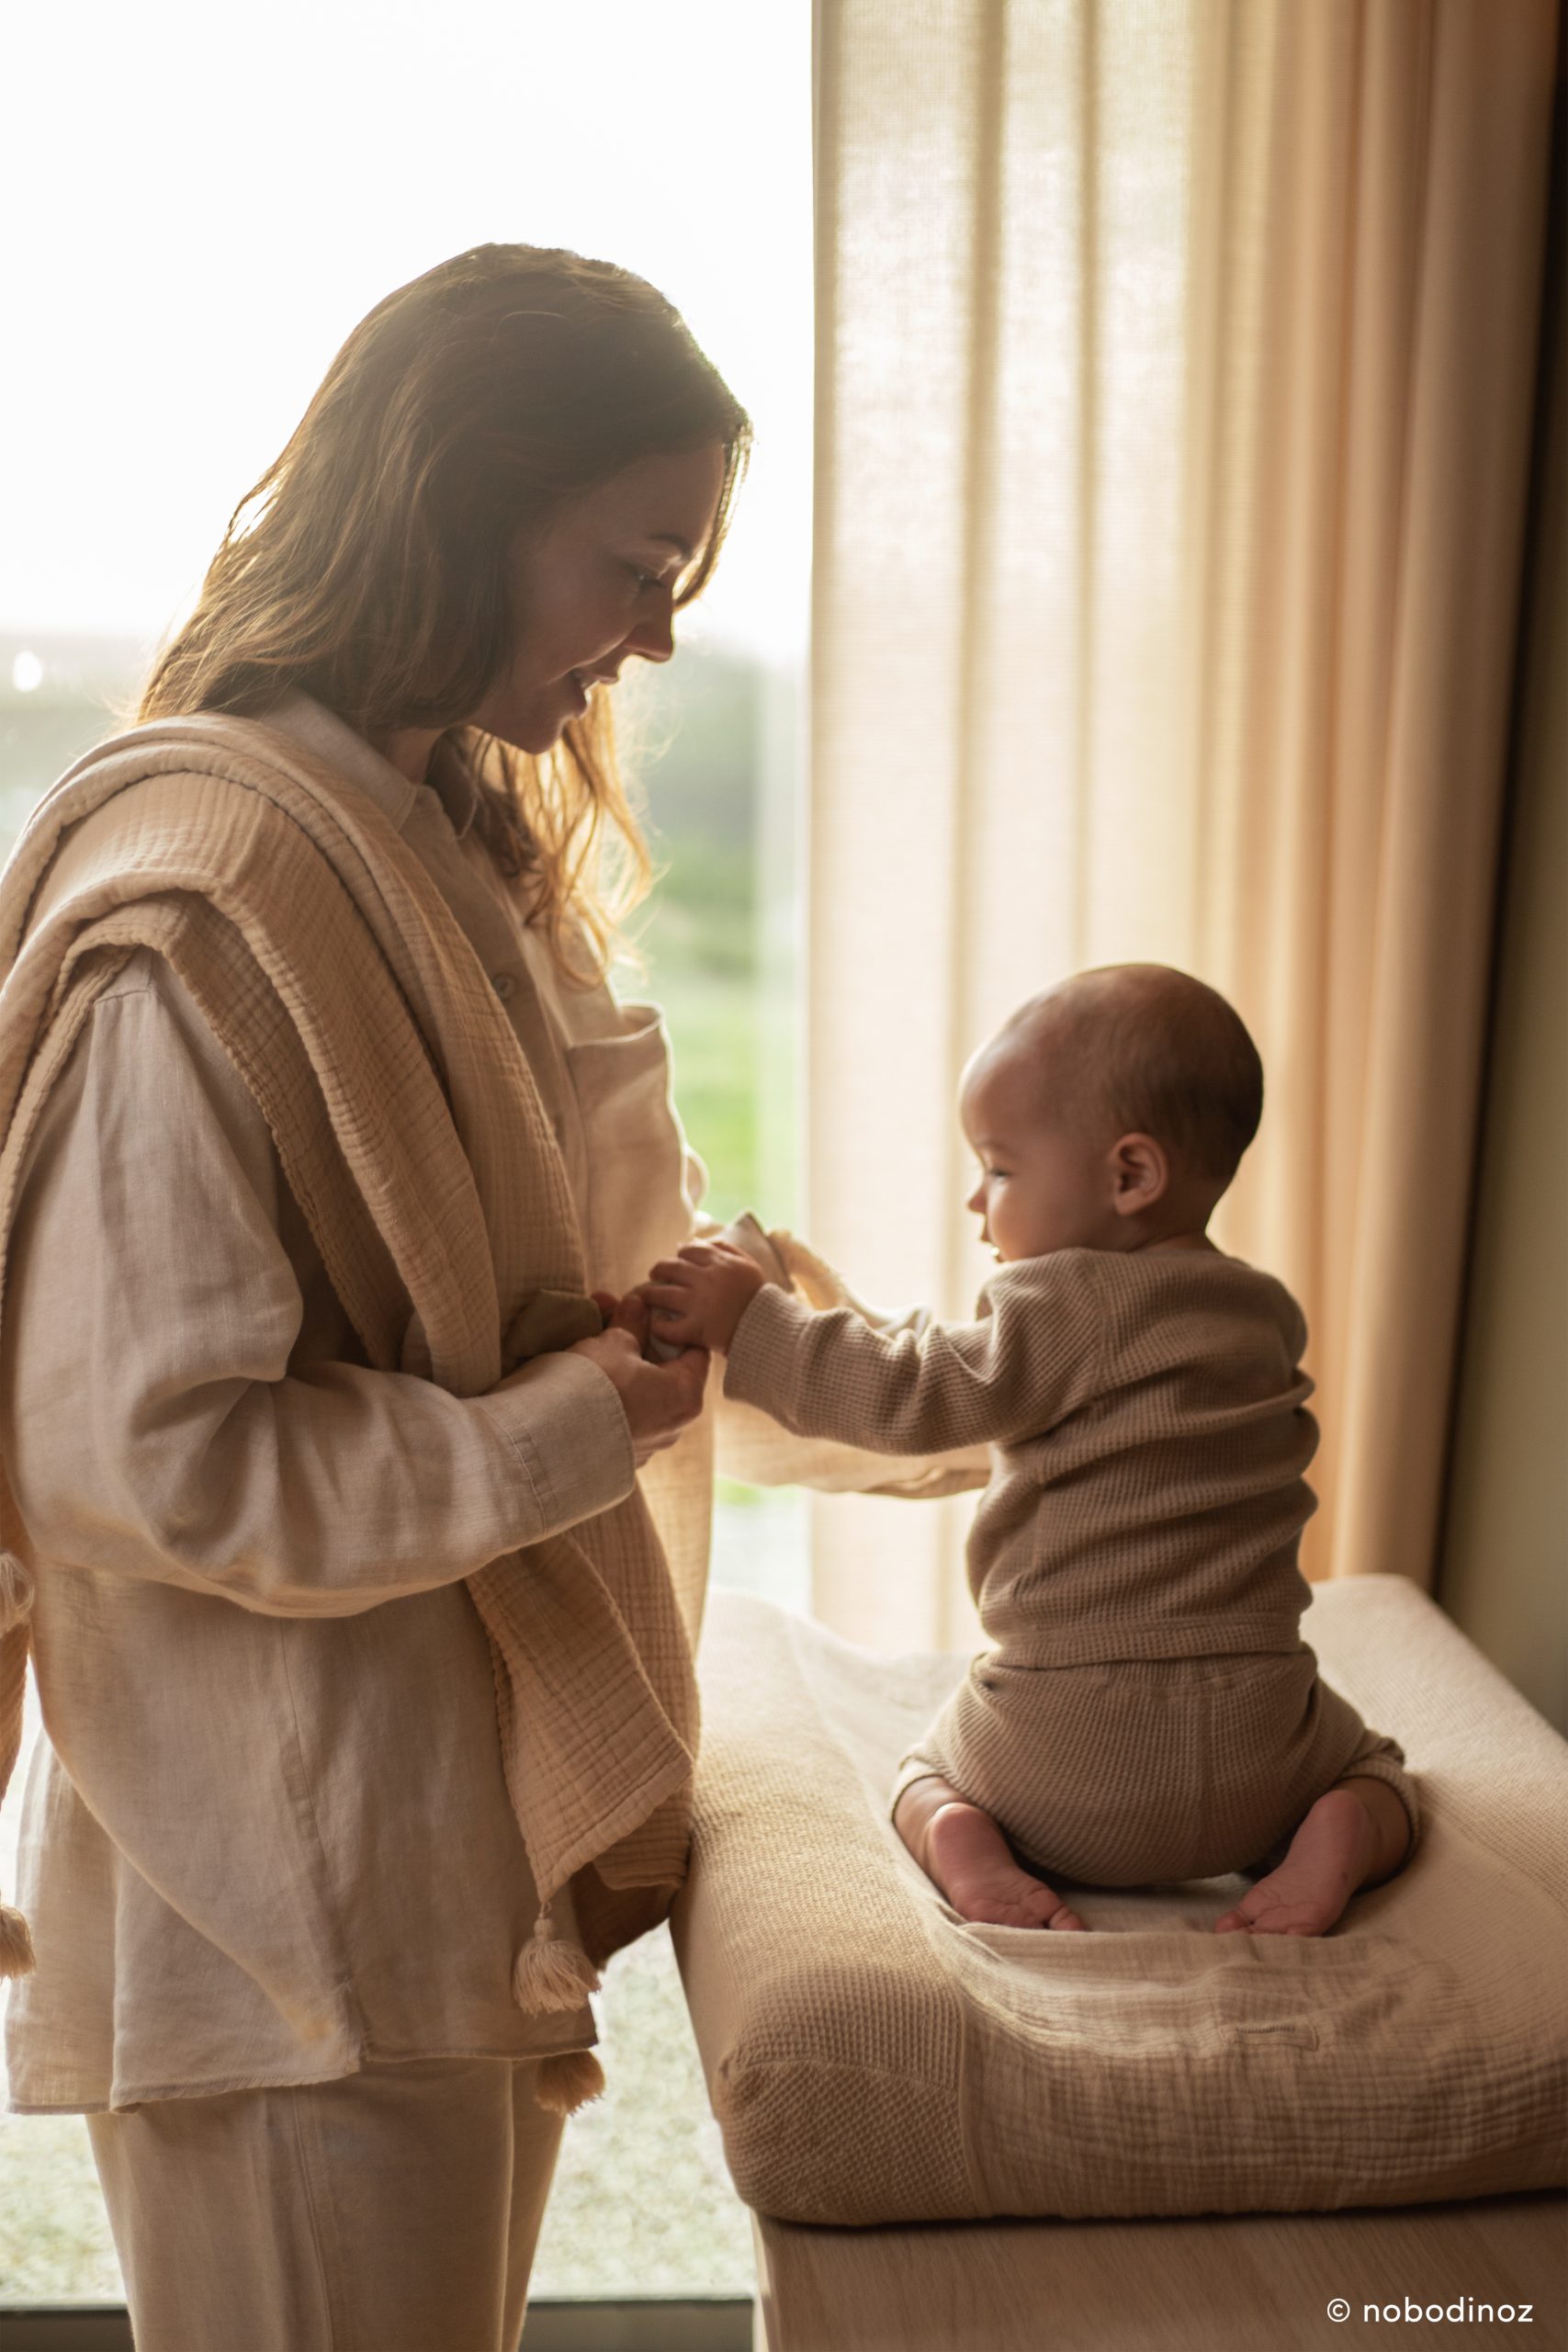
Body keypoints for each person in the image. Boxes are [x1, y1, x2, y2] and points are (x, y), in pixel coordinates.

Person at [0, 243, 751, 2352]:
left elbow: (517, 1279)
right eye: (633, 560)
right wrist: (577, 1417)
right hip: (286, 1906)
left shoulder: (446, 848)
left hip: (428, 1859)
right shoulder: (210, 895)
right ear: (460, 499)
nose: (655, 631)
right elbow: (143, 1453)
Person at [640, 963, 1420, 1939]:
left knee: (923, 1775)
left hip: (1065, 1757)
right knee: (1380, 1773)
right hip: (1261, 1746)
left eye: (1000, 1169)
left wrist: (758, 1323)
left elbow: (912, 1388)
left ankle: (973, 1851)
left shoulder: (1061, 1302)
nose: (978, 1202)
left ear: (1130, 1175)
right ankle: (1334, 1841)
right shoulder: (1262, 1315)